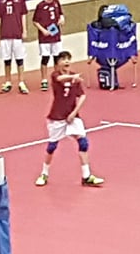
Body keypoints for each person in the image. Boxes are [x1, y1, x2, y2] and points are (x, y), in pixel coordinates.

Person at [36, 51, 103, 187]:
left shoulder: (74, 78)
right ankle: (44, 173)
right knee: (52, 146)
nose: (66, 62)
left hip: (72, 117)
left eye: (68, 59)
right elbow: (61, 79)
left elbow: (82, 96)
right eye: (63, 59)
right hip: (57, 117)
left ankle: (86, 176)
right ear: (57, 63)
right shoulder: (55, 75)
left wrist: (74, 112)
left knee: (83, 143)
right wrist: (73, 77)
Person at [0, 0, 29, 94]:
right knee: (7, 59)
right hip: (5, 34)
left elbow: (23, 15)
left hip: (17, 33)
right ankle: (8, 81)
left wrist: (24, 30)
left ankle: (21, 82)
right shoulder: (0, 1)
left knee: (19, 59)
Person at [33, 0, 64, 89]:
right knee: (45, 58)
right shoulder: (40, 6)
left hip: (55, 35)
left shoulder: (56, 3)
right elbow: (35, 21)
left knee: (57, 58)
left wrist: (61, 19)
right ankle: (44, 80)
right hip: (45, 37)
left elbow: (60, 14)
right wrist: (43, 30)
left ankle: (56, 78)